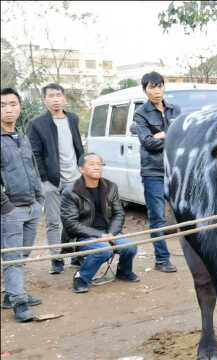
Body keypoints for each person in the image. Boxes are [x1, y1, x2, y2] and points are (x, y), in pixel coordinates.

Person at [60, 153, 139, 293]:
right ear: (81, 169)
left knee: (130, 247)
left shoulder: (110, 187)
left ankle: (123, 272)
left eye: (99, 164)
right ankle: (81, 278)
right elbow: (71, 223)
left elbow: (119, 213)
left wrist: (111, 233)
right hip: (82, 236)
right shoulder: (70, 192)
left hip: (108, 232)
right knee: (104, 250)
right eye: (92, 164)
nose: (97, 167)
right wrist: (99, 235)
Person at [28, 83, 84, 275]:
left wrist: (82, 170)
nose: (55, 99)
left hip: (74, 178)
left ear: (64, 98)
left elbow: (79, 147)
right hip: (51, 181)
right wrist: (45, 180)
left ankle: (77, 255)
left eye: (58, 95)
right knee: (53, 221)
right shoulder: (37, 124)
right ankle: (56, 259)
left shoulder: (73, 119)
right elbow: (35, 154)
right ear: (45, 99)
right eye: (51, 96)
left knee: (76, 219)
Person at [1, 88, 44, 322]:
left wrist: (39, 199)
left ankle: (10, 294)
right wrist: (6, 206)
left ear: (19, 107)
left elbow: (33, 169)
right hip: (10, 210)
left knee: (22, 253)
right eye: (2, 105)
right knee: (14, 257)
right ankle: (18, 302)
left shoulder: (22, 136)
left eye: (13, 103)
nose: (8, 109)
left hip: (31, 206)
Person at [133, 72, 180, 272]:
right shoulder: (141, 114)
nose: (157, 91)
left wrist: (162, 135)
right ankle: (162, 259)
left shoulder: (174, 109)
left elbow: (182, 136)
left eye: (159, 86)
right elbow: (149, 143)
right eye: (152, 87)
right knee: (158, 217)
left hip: (176, 168)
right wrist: (168, 136)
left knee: (185, 213)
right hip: (153, 171)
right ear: (145, 90)